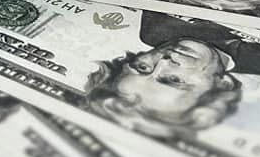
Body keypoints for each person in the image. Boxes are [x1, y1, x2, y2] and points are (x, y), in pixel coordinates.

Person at [83, 37, 244, 139]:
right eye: (174, 79)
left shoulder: (152, 26)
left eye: (142, 67)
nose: (163, 62)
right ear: (223, 85)